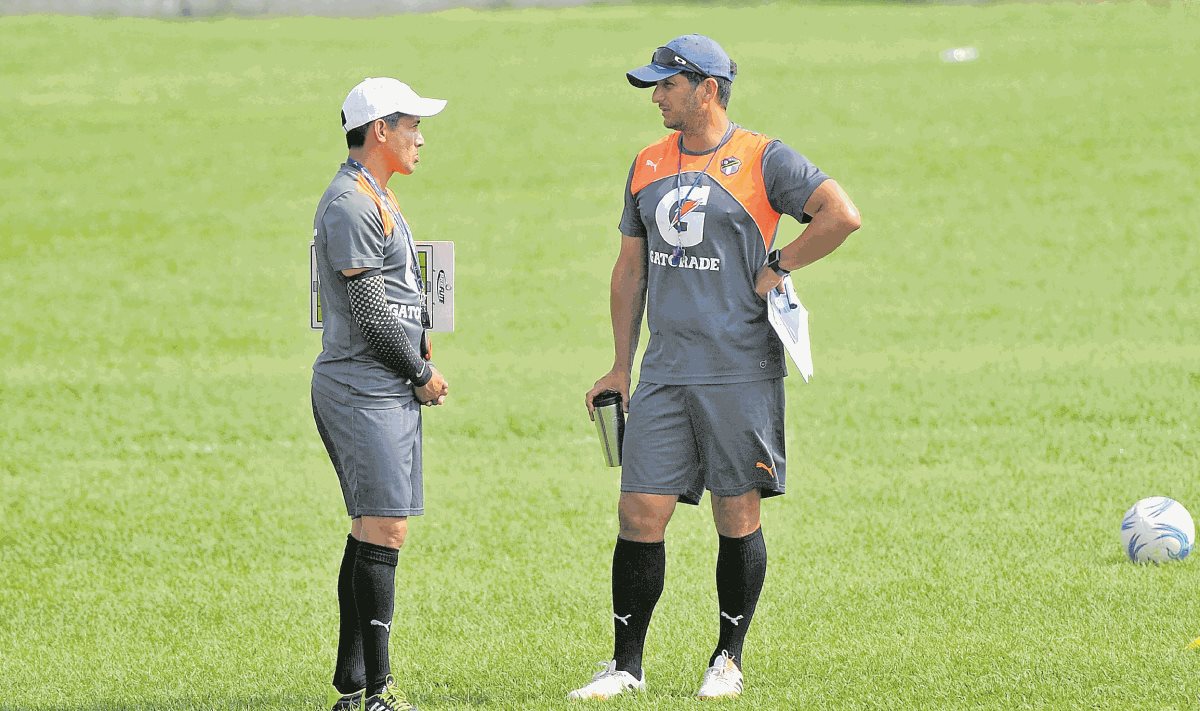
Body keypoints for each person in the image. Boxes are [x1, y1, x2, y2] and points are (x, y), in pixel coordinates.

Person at [573, 35, 861, 701]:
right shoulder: (646, 164)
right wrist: (620, 364)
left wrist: (782, 262)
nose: (656, 96)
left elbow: (841, 215)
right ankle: (626, 665)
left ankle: (727, 659)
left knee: (737, 514)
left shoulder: (764, 159)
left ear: (707, 88)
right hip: (665, 372)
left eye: (667, 85)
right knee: (638, 512)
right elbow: (629, 268)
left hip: (741, 371)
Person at [311, 76, 451, 711]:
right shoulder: (352, 204)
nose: (421, 137)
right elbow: (369, 314)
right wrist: (421, 374)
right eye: (412, 125)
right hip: (362, 386)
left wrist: (417, 352)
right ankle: (377, 694)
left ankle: (355, 684)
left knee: (373, 527)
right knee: (384, 528)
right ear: (379, 132)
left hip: (381, 383)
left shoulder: (376, 196)